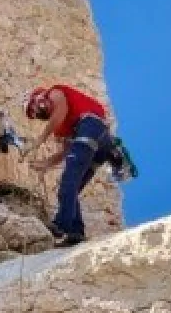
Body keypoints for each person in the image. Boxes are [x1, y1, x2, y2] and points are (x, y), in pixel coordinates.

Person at [24, 84, 116, 247]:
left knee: (69, 181)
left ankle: (61, 224)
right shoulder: (60, 128)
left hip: (90, 126)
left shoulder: (55, 92)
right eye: (32, 114)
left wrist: (40, 139)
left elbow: (60, 111)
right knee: (69, 187)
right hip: (99, 142)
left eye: (33, 108)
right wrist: (45, 164)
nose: (35, 114)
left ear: (38, 98)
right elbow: (67, 151)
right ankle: (76, 232)